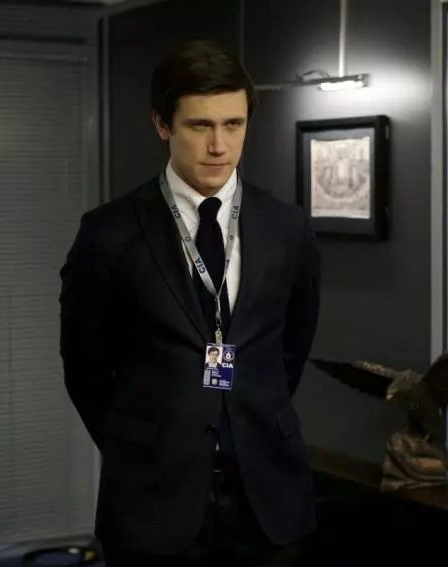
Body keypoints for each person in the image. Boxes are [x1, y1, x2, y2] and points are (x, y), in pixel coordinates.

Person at [59, 38, 320, 567]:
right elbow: (84, 367)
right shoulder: (108, 232)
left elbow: (292, 346)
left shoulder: (287, 226)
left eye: (233, 124)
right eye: (200, 126)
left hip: (268, 496)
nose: (219, 145)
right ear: (163, 124)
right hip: (151, 498)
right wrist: (142, 442)